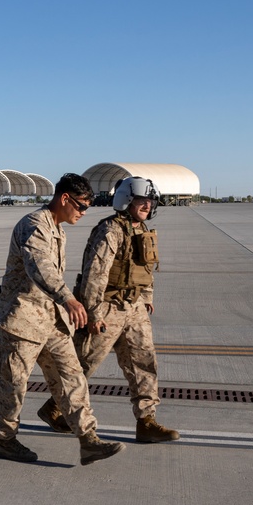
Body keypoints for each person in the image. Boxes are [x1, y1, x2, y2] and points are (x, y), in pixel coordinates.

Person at [0, 173, 125, 465]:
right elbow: (39, 267)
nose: (83, 212)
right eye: (81, 206)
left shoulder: (58, 230)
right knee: (14, 384)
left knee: (72, 377)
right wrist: (69, 299)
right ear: (64, 198)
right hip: (23, 321)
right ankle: (5, 440)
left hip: (51, 321)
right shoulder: (34, 225)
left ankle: (88, 440)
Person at [70, 176, 180, 443]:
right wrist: (93, 313)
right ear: (126, 200)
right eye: (141, 200)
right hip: (107, 307)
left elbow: (146, 266)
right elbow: (95, 274)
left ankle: (146, 421)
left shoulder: (142, 229)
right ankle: (57, 407)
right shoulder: (110, 230)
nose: (147, 205)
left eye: (150, 201)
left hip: (134, 307)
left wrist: (147, 296)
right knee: (84, 363)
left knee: (143, 362)